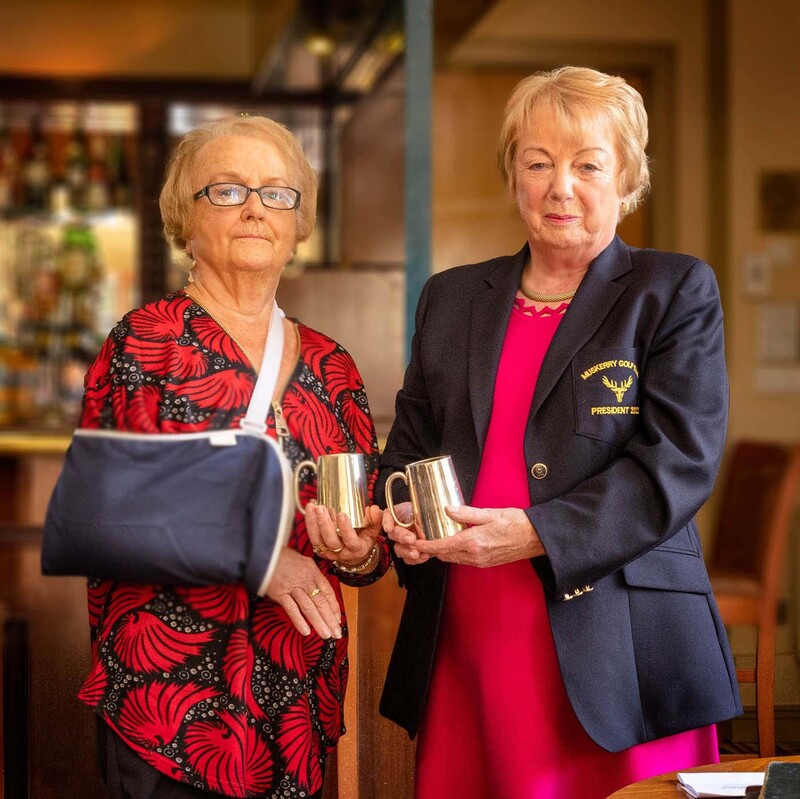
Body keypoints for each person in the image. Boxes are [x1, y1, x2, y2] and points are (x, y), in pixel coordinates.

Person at [378, 66, 741, 799]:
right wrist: (403, 519)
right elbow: (411, 449)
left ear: (627, 177)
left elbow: (675, 465)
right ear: (513, 173)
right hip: (473, 631)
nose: (558, 186)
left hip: (621, 636)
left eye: (586, 164)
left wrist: (536, 532)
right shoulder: (451, 297)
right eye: (537, 162)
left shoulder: (671, 291)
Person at [76, 115, 388, 799]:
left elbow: (364, 547)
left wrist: (359, 548)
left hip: (295, 710)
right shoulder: (144, 343)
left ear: (298, 223)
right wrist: (258, 557)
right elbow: (106, 517)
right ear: (184, 218)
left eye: (278, 193)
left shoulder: (334, 367)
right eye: (227, 190)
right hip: (172, 709)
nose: (255, 207)